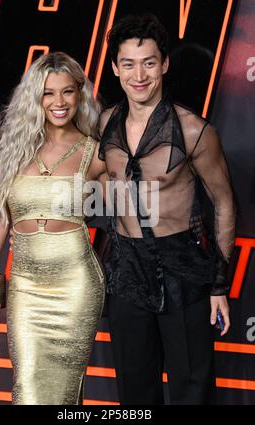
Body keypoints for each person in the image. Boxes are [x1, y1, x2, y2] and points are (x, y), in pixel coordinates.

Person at [99, 14, 236, 405]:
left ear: (164, 64)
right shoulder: (105, 125)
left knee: (192, 391)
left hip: (184, 272)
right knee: (135, 395)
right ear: (115, 68)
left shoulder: (194, 130)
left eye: (148, 62)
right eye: (128, 63)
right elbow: (76, 176)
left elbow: (224, 202)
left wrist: (219, 285)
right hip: (126, 275)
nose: (138, 74)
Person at [0, 52, 106, 405]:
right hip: (26, 287)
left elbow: (124, 214)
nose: (59, 102)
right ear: (35, 97)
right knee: (30, 386)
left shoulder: (97, 152)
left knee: (63, 390)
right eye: (48, 93)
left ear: (80, 95)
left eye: (67, 92)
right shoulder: (15, 150)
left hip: (76, 285)